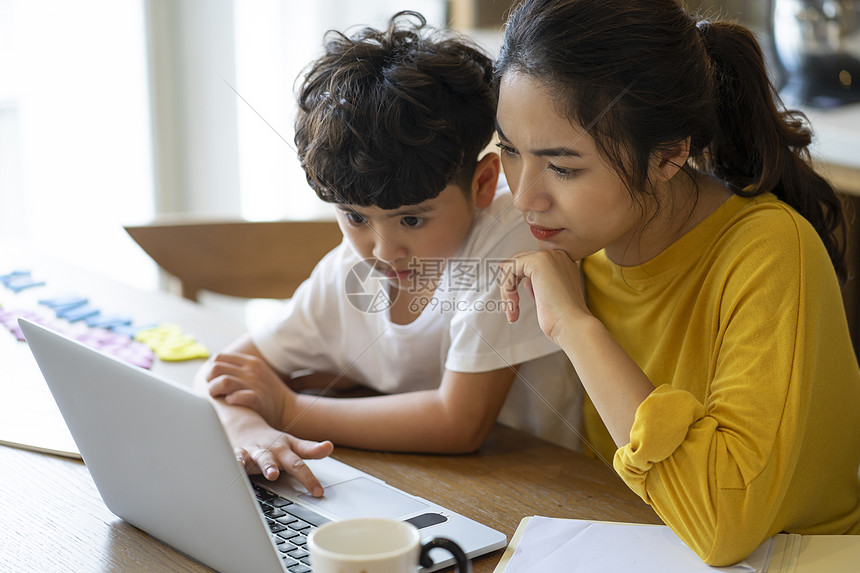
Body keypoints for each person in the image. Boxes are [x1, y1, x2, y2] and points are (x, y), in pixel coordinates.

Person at [495, 0, 860, 566]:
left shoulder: (768, 251)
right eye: (511, 152)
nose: (524, 198)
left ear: (668, 155)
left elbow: (722, 527)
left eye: (563, 167)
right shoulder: (578, 237)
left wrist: (574, 325)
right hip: (631, 539)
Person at [196, 11, 580, 498]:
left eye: (412, 220)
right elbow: (223, 372)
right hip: (429, 485)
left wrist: (288, 410)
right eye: (355, 217)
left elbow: (458, 423)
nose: (382, 250)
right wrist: (246, 428)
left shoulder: (510, 238)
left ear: (483, 184)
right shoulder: (347, 269)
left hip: (541, 491)